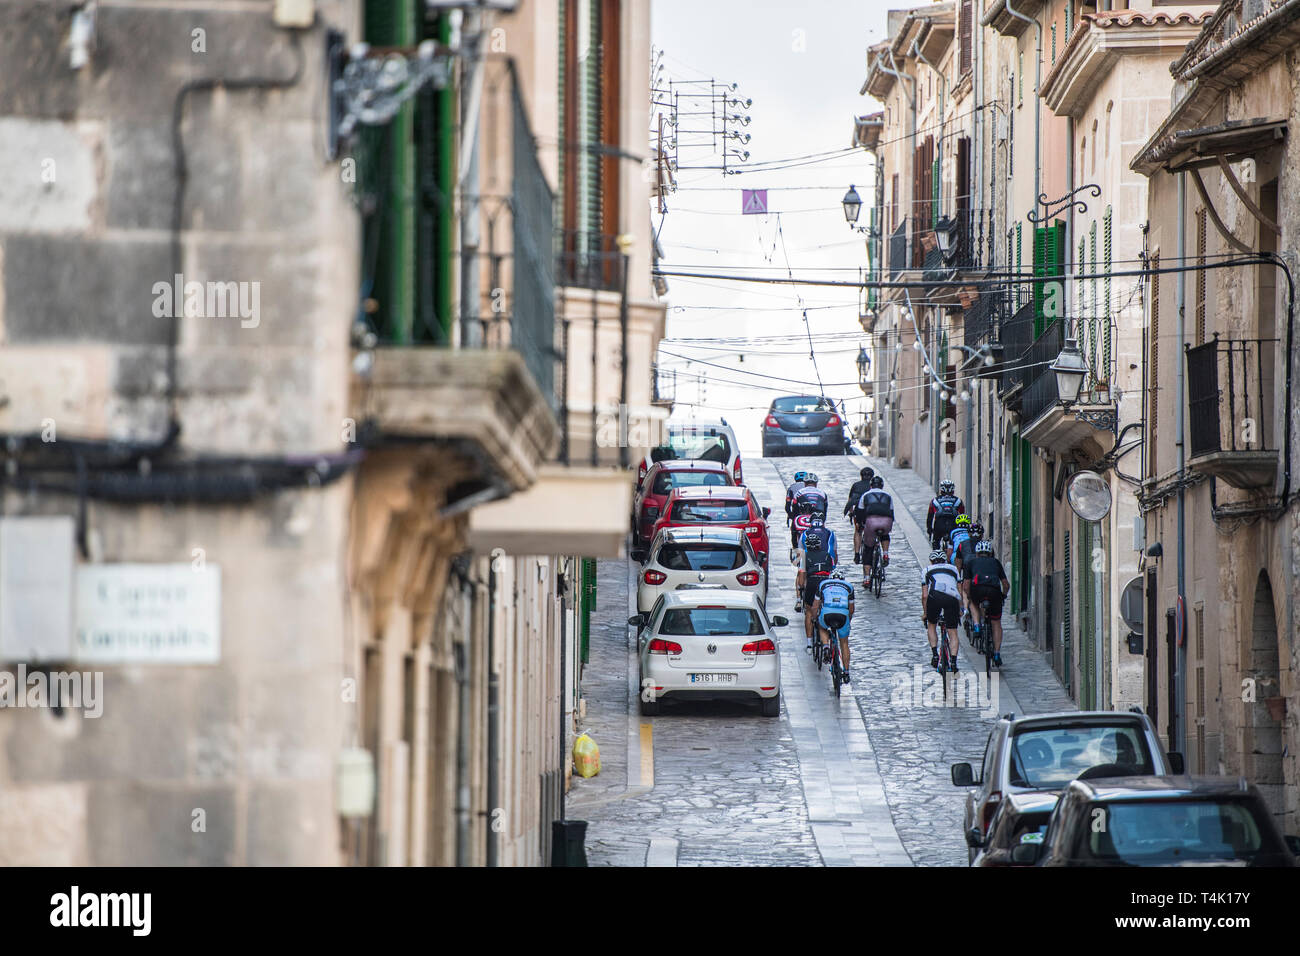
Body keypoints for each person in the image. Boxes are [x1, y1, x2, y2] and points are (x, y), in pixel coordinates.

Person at [963, 540, 1010, 667]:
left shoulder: (970, 562)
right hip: (994, 592)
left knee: (973, 603)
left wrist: (968, 596)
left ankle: (977, 625)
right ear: (990, 553)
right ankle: (996, 653)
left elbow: (966, 585)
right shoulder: (996, 563)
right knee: (996, 622)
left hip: (977, 590)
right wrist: (1003, 596)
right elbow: (1006, 584)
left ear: (977, 553)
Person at [921, 549, 962, 672]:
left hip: (935, 596)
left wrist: (925, 613)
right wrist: (960, 609)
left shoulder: (927, 570)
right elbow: (959, 591)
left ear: (931, 561)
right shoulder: (953, 569)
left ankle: (935, 654)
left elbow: (924, 596)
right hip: (952, 597)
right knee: (952, 631)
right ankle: (953, 662)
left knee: (932, 624)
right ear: (945, 560)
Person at [813, 568, 855, 683]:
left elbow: (815, 605)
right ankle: (846, 672)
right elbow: (851, 609)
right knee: (844, 643)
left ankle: (826, 646)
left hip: (827, 613)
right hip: (842, 615)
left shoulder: (823, 584)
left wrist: (813, 618)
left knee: (822, 627)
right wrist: (848, 620)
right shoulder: (849, 587)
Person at [797, 529, 836, 647]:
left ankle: (809, 643)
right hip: (825, 583)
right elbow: (832, 569)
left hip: (812, 582)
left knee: (808, 611)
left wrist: (801, 589)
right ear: (819, 544)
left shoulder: (804, 556)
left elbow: (801, 578)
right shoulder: (827, 555)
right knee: (824, 608)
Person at [856, 475, 894, 577]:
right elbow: (891, 512)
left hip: (871, 522)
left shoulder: (865, 495)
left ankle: (867, 578)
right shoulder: (888, 496)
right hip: (886, 521)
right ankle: (885, 553)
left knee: (868, 549)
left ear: (871, 485)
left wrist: (860, 524)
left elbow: (860, 512)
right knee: (885, 534)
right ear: (882, 486)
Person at [843, 466, 874, 561]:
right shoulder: (874, 485)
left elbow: (850, 500)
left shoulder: (856, 485)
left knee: (858, 531)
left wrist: (851, 513)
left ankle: (857, 554)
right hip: (872, 511)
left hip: (859, 512)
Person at [926, 479, 966, 551]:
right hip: (953, 524)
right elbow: (962, 516)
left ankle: (936, 555)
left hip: (939, 525)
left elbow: (930, 517)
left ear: (941, 490)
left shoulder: (934, 501)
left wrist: (929, 529)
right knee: (954, 543)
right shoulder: (958, 501)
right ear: (953, 490)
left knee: (936, 542)